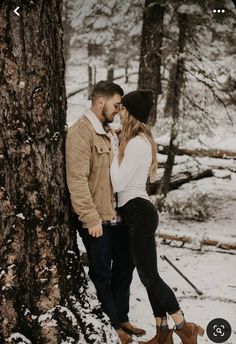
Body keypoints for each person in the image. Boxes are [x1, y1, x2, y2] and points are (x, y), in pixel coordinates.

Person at [110, 90, 204, 344]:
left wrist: (111, 148)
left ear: (132, 114)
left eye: (123, 109)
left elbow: (118, 182)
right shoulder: (134, 141)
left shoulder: (138, 143)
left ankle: (185, 327)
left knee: (150, 276)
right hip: (136, 214)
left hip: (139, 214)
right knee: (147, 275)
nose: (120, 113)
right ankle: (162, 333)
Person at [65, 81, 145, 344]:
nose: (119, 110)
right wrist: (90, 218)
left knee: (126, 264)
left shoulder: (109, 132)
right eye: (116, 104)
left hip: (117, 215)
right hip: (97, 217)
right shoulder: (80, 132)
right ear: (101, 102)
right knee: (102, 271)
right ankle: (112, 326)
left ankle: (122, 317)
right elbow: (76, 180)